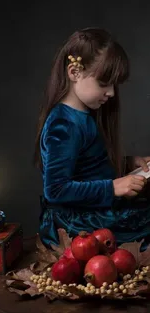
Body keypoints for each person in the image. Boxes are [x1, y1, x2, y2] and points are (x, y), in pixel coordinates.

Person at [34, 27, 150, 250]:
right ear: (74, 73)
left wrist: (126, 163)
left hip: (90, 210)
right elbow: (56, 190)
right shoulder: (63, 125)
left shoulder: (84, 115)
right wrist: (112, 188)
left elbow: (86, 167)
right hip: (74, 222)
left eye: (113, 85)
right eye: (104, 84)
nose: (112, 93)